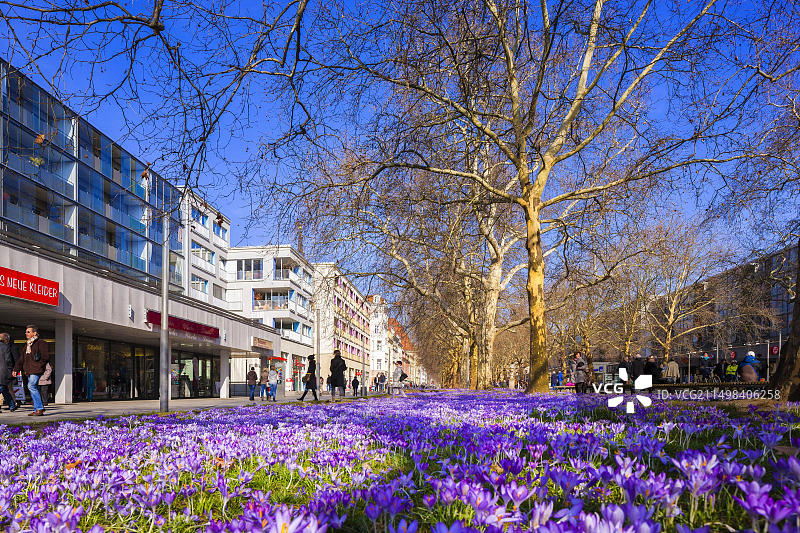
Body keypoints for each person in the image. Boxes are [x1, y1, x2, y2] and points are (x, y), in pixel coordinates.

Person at [12, 325, 49, 416]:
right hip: (29, 370)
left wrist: (39, 365)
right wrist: (15, 369)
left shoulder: (41, 343)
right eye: (26, 332)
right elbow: (21, 359)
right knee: (32, 387)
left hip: (36, 369)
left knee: (31, 386)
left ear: (34, 333)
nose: (26, 333)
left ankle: (40, 408)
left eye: (28, 332)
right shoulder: (28, 344)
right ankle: (36, 409)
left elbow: (45, 357)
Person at [0, 333, 18, 412]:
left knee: (3, 389)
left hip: (2, 372)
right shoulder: (5, 347)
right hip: (3, 371)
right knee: (3, 388)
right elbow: (8, 360)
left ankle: (12, 405)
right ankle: (12, 405)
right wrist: (10, 370)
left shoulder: (5, 347)